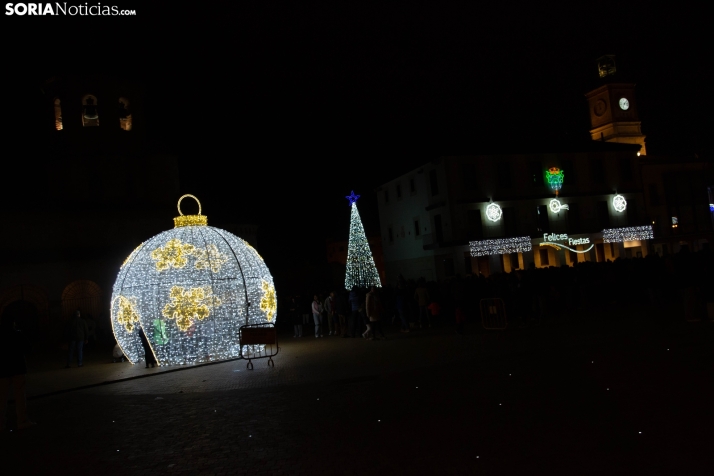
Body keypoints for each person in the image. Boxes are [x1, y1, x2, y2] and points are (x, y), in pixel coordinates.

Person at [0, 312, 35, 431]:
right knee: (20, 396)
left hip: (3, 370)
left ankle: (1, 423)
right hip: (18, 368)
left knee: (1, 397)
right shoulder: (17, 334)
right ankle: (22, 421)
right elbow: (28, 348)